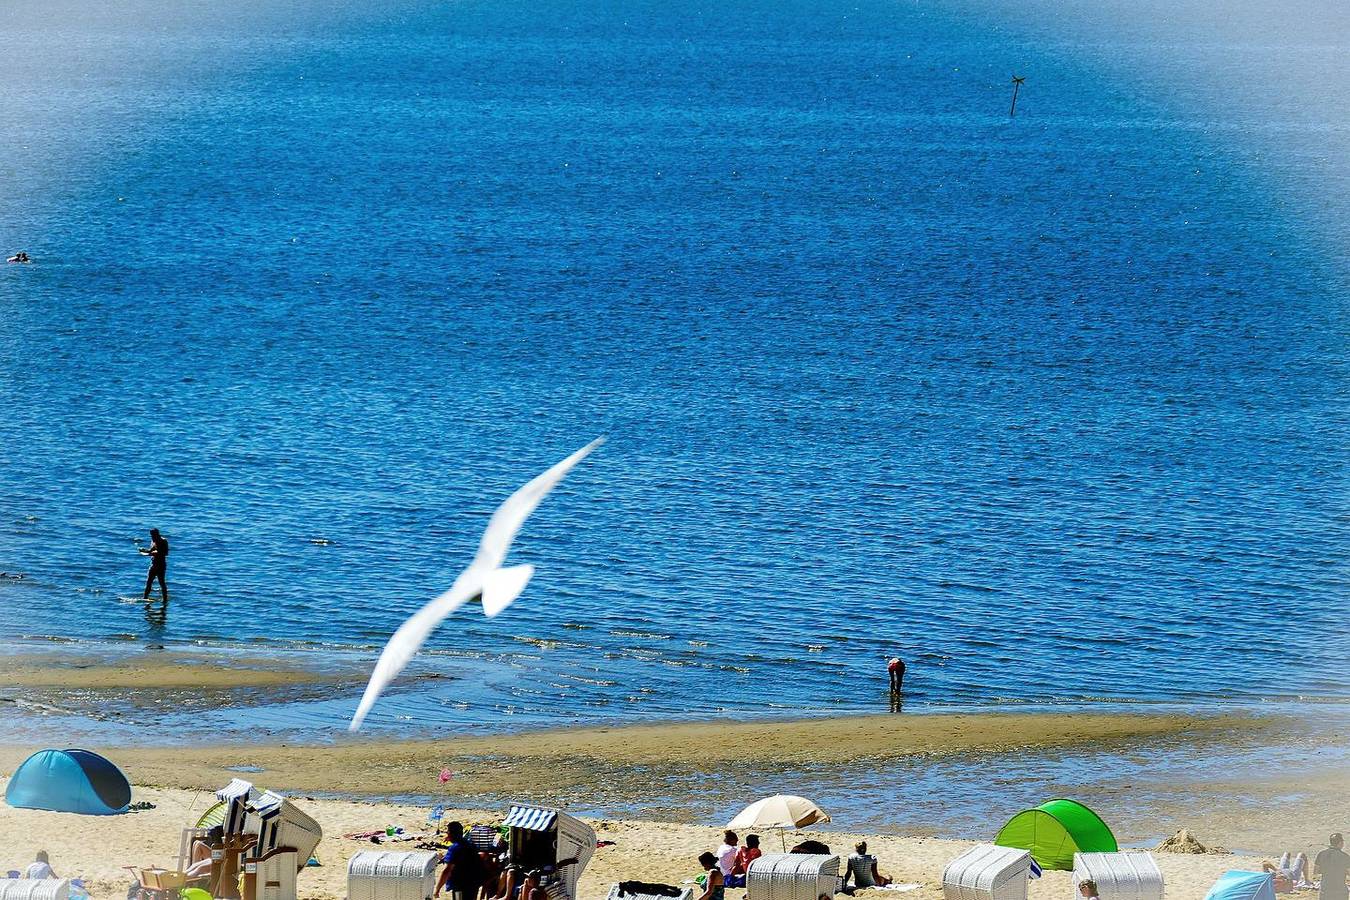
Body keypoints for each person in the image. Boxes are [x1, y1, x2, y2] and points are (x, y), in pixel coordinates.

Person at [436, 822, 485, 900]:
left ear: (450, 833)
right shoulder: (470, 845)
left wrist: (437, 889)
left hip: (460, 885)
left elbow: (447, 870)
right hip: (474, 883)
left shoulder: (454, 848)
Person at [1315, 834, 1349, 900]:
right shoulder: (1345, 856)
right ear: (1340, 843)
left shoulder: (1321, 854)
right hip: (1340, 891)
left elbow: (1316, 871)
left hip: (1325, 890)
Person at [141, 528, 169, 601]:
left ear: (157, 534)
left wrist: (151, 553)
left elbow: (165, 553)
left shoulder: (163, 541)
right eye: (151, 535)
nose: (152, 537)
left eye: (153, 535)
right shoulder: (153, 541)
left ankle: (165, 599)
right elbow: (151, 550)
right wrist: (145, 550)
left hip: (161, 565)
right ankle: (145, 598)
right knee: (149, 582)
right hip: (153, 564)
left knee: (161, 582)